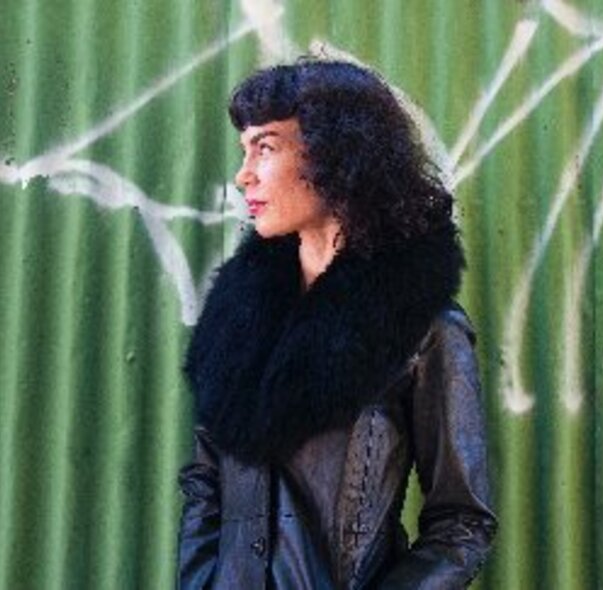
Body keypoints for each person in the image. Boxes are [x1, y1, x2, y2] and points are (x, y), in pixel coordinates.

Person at [177, 59, 497, 589]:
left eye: (267, 147)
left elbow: (461, 525)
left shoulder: (424, 330)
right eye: (245, 149)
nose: (244, 175)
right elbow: (206, 485)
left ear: (336, 156)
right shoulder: (234, 317)